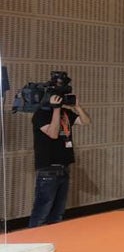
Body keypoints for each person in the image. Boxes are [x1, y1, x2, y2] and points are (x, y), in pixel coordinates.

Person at [28, 73, 91, 227]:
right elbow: (53, 133)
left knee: (57, 214)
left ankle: (53, 241)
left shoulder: (66, 113)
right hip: (48, 170)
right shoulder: (40, 115)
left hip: (64, 169)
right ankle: (32, 241)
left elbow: (86, 121)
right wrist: (56, 110)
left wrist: (77, 106)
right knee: (41, 213)